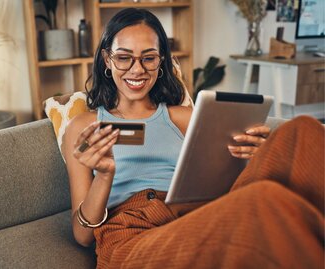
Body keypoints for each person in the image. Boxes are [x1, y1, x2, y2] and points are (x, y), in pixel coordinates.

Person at [63, 8, 324, 269]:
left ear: (161, 61)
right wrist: (105, 176)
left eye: (148, 58)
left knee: (304, 131)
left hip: (192, 213)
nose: (137, 69)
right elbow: (83, 236)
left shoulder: (186, 117)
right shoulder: (85, 126)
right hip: (132, 233)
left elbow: (222, 180)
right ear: (107, 60)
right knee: (263, 198)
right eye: (124, 58)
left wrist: (259, 156)